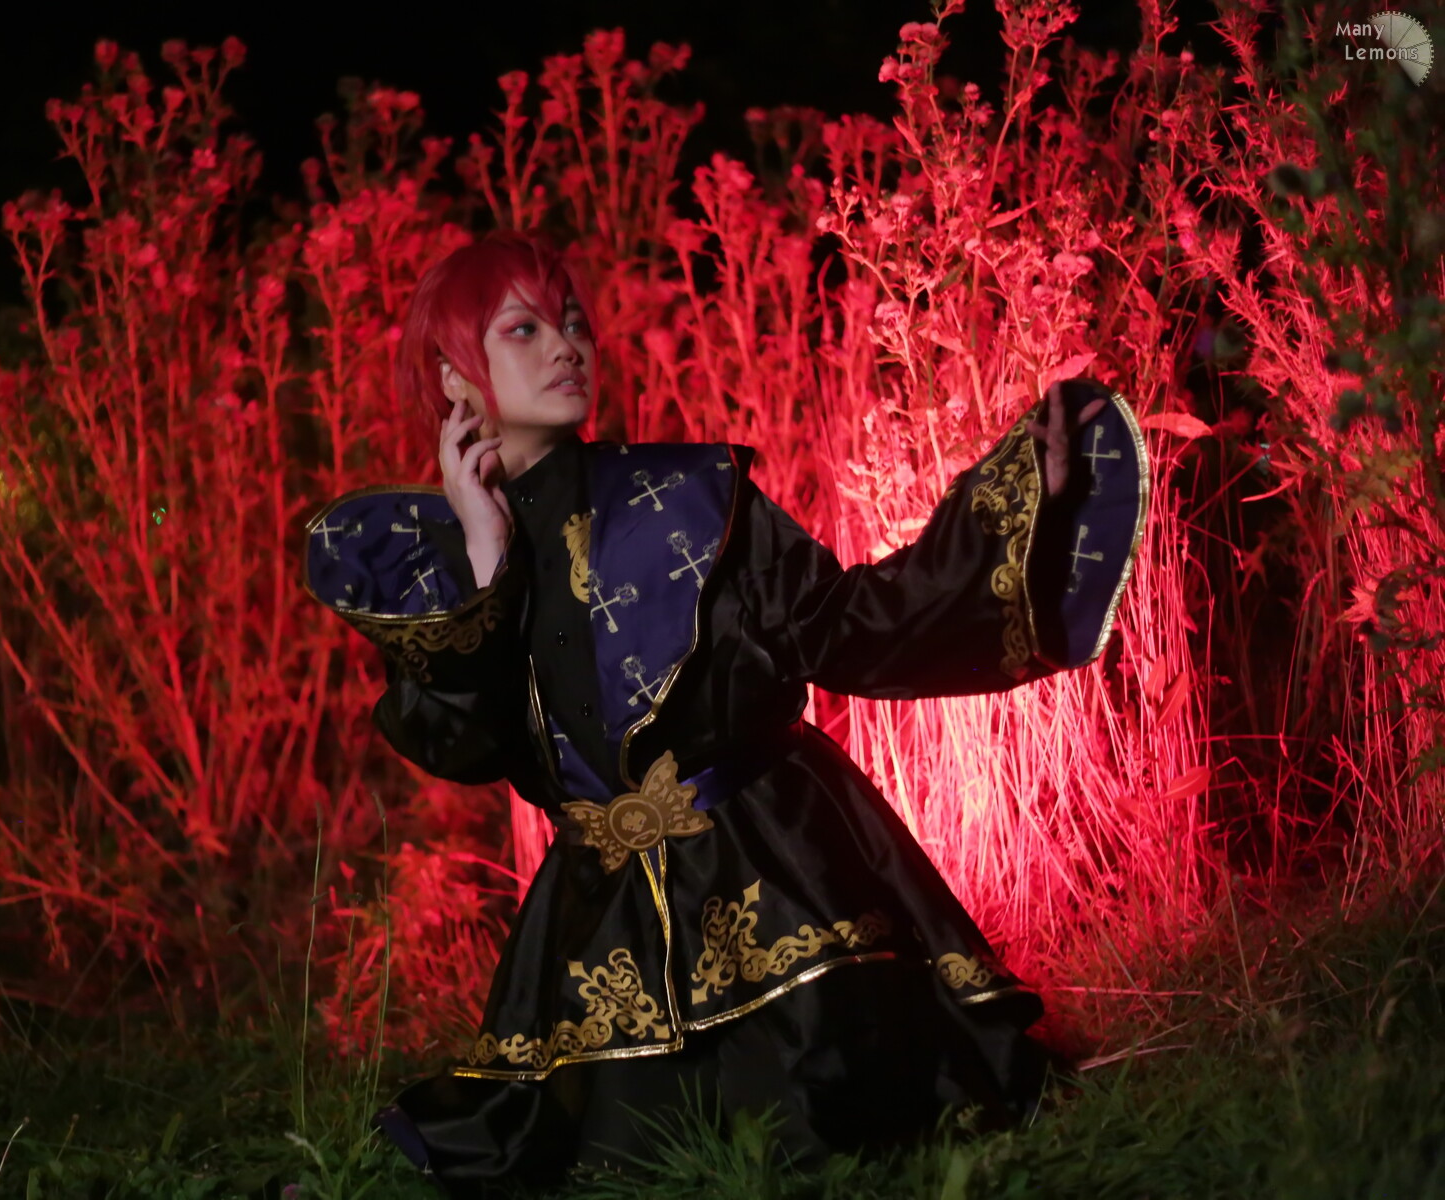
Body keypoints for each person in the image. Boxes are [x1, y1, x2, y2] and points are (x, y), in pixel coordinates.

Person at [299, 229, 1147, 1196]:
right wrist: (488, 557)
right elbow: (463, 742)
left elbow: (849, 628)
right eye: (523, 329)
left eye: (571, 322)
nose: (567, 345)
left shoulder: (689, 500)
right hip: (601, 917)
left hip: (776, 871)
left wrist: (1018, 506)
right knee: (585, 1148)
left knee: (828, 1109)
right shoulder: (439, 567)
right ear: (455, 377)